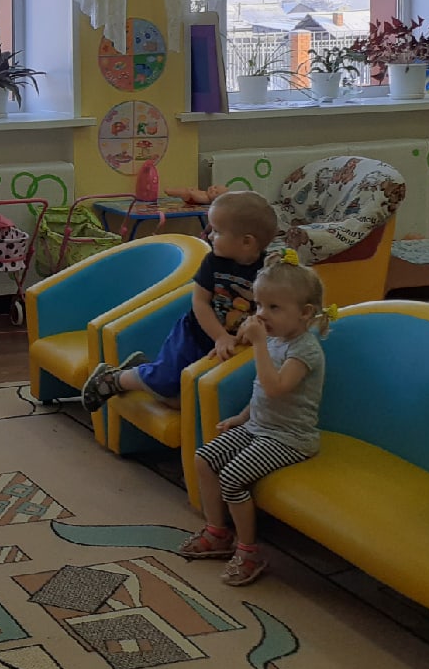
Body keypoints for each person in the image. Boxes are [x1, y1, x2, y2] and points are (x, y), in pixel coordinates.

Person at [179, 252, 330, 586]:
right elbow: (260, 389)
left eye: (274, 308)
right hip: (258, 427)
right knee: (204, 459)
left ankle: (249, 551)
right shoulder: (275, 340)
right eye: (259, 305)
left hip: (289, 438)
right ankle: (217, 532)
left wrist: (259, 344)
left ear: (305, 313)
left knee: (233, 478)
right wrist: (242, 416)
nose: (261, 314)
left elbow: (275, 388)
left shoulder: (304, 350)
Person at [82, 190, 277, 412]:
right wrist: (220, 336)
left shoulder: (267, 271)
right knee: (164, 384)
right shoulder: (213, 262)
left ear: (247, 242)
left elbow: (269, 308)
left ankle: (143, 370)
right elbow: (200, 302)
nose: (210, 237)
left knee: (180, 401)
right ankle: (113, 379)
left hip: (231, 344)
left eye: (217, 231)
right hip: (194, 335)